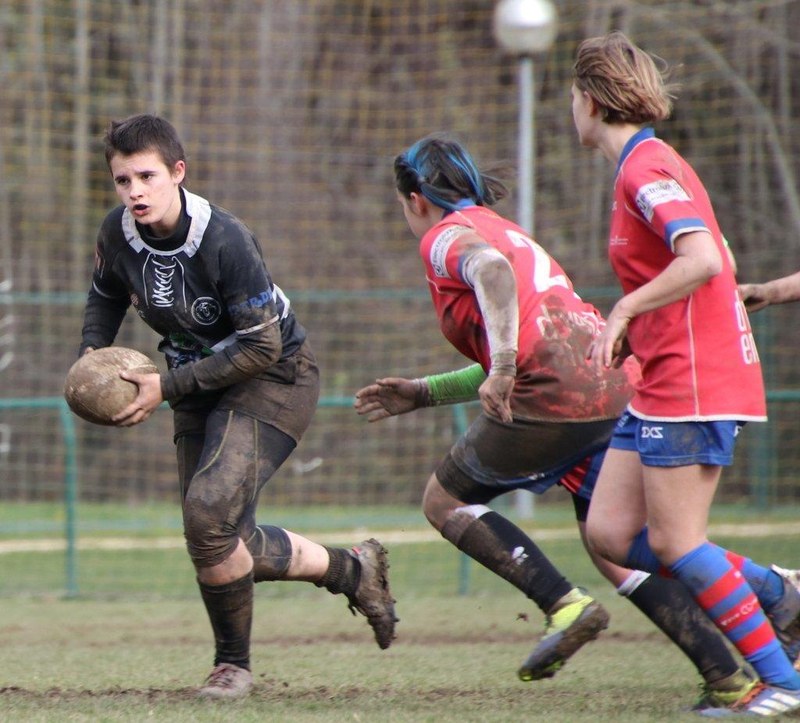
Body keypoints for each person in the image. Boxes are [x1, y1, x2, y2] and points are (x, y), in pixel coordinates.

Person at [354, 133, 770, 701]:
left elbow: (494, 282)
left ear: (415, 199)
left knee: (444, 500)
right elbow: (538, 341)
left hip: (559, 392)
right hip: (610, 380)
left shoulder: (445, 236)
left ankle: (562, 604)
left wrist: (500, 366)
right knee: (615, 544)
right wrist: (425, 392)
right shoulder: (508, 229)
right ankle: (729, 677)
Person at [77, 114, 397, 699]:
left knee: (206, 515)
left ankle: (233, 667)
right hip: (199, 385)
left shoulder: (224, 238)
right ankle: (353, 569)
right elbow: (103, 300)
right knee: (221, 537)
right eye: (123, 181)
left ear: (178, 172)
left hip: (275, 376)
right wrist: (91, 365)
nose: (135, 192)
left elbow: (261, 345)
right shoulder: (116, 233)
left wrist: (164, 388)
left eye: (146, 176)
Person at [571, 31, 800, 716]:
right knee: (610, 532)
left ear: (588, 99)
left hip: (694, 381)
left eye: (571, 97)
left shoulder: (647, 168)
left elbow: (703, 257)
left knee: (677, 541)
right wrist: (637, 331)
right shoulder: (638, 168)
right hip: (663, 377)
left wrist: (625, 311)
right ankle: (778, 592)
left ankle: (783, 680)